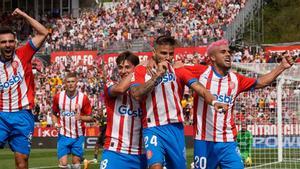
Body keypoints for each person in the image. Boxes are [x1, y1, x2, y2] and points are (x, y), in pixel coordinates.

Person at [183, 39, 295, 169]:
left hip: (228, 142)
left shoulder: (236, 79)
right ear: (212, 57)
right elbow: (177, 68)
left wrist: (281, 67)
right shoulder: (200, 72)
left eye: (229, 52)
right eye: (223, 52)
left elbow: (261, 82)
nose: (228, 54)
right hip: (204, 140)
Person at [130, 35, 227, 169]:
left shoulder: (178, 70)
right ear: (154, 53)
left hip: (175, 128)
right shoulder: (141, 70)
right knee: (155, 166)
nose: (167, 57)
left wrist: (215, 102)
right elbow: (136, 94)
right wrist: (158, 75)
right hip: (153, 128)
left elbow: (199, 88)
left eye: (170, 54)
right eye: (163, 53)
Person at [0, 8, 48, 169]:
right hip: (1, 116)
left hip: (23, 115)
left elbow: (43, 32)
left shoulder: (23, 53)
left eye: (10, 41)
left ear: (15, 43)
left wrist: (23, 15)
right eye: (3, 42)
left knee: (22, 162)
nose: (7, 45)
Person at [99, 51, 147, 169]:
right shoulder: (110, 85)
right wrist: (137, 70)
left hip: (141, 154)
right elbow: (120, 89)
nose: (123, 71)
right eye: (120, 67)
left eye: (127, 67)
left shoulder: (145, 91)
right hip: (115, 152)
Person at [52, 72, 94, 169]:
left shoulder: (83, 98)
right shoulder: (58, 97)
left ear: (76, 83)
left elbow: (91, 117)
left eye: (72, 81)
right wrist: (55, 123)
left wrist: (81, 118)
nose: (70, 84)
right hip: (63, 135)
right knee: (63, 164)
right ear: (65, 83)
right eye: (68, 82)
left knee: (76, 163)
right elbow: (54, 113)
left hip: (78, 136)